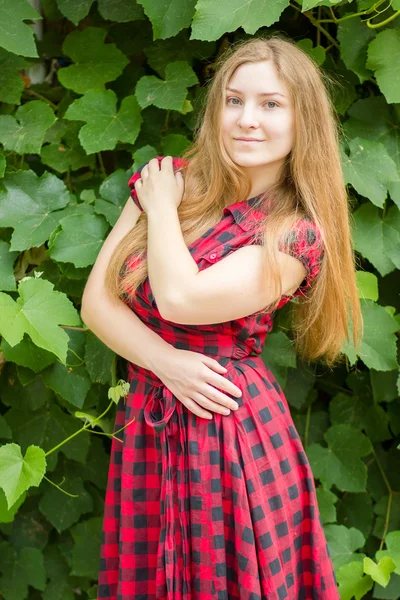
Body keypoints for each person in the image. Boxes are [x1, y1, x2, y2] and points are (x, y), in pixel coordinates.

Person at [81, 34, 362, 600]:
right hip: (152, 415)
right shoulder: (172, 183)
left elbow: (183, 298)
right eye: (233, 100)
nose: (246, 120)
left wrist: (159, 206)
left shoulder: (294, 235)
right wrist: (165, 364)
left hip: (225, 429)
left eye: (271, 104)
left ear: (302, 119)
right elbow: (96, 303)